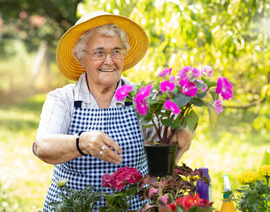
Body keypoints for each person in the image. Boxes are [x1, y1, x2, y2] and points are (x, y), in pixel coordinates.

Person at [32, 11, 194, 211]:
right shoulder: (63, 99)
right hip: (73, 208)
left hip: (133, 207)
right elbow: (42, 147)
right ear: (81, 59)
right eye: (99, 52)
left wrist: (183, 130)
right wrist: (82, 142)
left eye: (116, 51)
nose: (109, 60)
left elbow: (171, 131)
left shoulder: (140, 97)